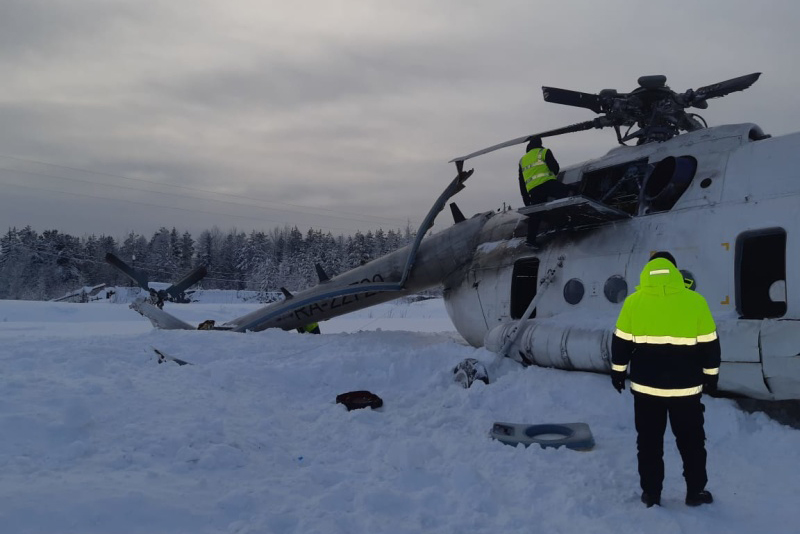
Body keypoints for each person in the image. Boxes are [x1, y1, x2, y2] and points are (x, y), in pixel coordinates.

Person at [611, 251, 720, 508]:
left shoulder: (633, 302)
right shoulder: (695, 301)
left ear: (649, 271)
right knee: (692, 442)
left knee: (649, 443)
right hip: (686, 391)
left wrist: (618, 372)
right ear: (674, 270)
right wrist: (711, 377)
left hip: (647, 391)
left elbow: (620, 342)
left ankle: (651, 494)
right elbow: (710, 344)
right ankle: (695, 492)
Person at [518, 136, 572, 246]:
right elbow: (555, 168)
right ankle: (564, 220)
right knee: (568, 192)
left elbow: (521, 182)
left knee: (536, 214)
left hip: (533, 190)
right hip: (548, 183)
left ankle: (531, 240)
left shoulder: (522, 160)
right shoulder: (544, 152)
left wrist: (526, 198)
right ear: (540, 143)